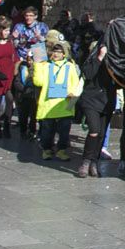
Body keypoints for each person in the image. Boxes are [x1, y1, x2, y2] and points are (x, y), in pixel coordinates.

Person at [33, 32, 82, 161]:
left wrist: (72, 95)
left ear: (64, 54)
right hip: (49, 106)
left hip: (64, 105)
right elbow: (38, 82)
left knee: (64, 131)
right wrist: (37, 63)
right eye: (54, 51)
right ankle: (47, 149)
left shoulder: (70, 66)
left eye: (59, 52)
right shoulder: (46, 66)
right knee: (47, 131)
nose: (56, 54)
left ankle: (61, 150)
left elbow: (75, 84)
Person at [74, 37, 114, 179]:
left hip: (107, 100)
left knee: (102, 133)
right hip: (91, 99)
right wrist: (100, 57)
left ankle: (94, 162)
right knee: (94, 130)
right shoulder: (91, 61)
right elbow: (89, 74)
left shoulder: (113, 62)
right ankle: (85, 161)